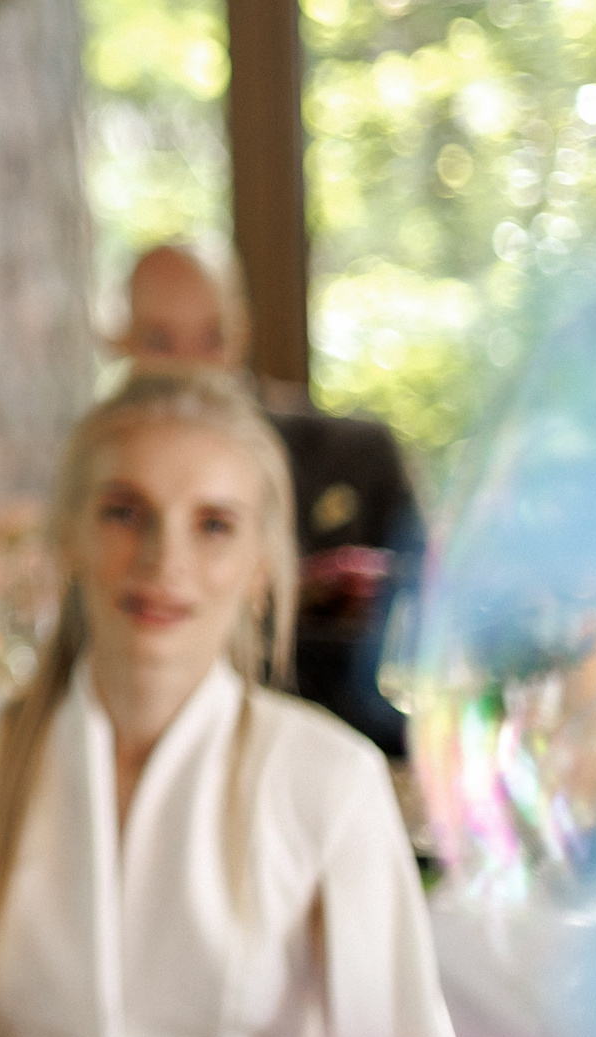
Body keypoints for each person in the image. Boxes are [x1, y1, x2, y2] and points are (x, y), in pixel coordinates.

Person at [0, 370, 458, 1037]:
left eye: (214, 524)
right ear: (67, 534)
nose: (165, 557)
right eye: (126, 512)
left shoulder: (329, 782)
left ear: (262, 566)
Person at [113, 244, 423, 758]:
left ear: (242, 331)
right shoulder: (106, 500)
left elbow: (431, 624)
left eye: (212, 338)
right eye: (162, 341)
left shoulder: (357, 458)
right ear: (121, 345)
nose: (194, 367)